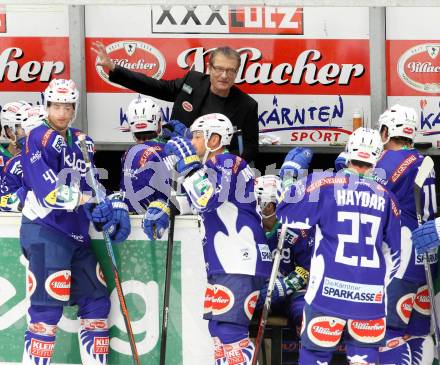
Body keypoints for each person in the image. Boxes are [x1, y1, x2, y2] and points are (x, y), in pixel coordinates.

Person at [20, 78, 131, 365]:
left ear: (74, 108)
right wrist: (87, 200)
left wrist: (109, 203)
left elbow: (93, 184)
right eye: (56, 105)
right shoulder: (37, 136)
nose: (61, 112)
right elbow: (48, 193)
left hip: (76, 234)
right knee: (46, 312)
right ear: (46, 106)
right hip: (46, 230)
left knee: (96, 303)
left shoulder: (83, 141)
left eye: (67, 106)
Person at [145, 112, 270, 364]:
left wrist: (189, 165)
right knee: (217, 331)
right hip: (225, 261)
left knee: (229, 331)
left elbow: (208, 198)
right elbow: (196, 202)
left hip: (239, 260)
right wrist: (166, 206)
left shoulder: (227, 161)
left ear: (215, 138)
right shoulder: (210, 168)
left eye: (196, 136)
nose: (191, 142)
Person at [277, 127, 401, 365]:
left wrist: (289, 178)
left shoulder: (323, 183)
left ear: (348, 151)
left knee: (315, 357)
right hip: (369, 301)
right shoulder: (388, 197)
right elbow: (394, 252)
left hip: (327, 296)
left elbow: (285, 213)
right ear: (376, 156)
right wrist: (375, 288)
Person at [91, 42, 259, 163]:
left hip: (215, 171)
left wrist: (222, 163)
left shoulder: (247, 105)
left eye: (230, 71)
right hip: (174, 161)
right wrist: (114, 68)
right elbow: (156, 87)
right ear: (210, 67)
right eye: (220, 69)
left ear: (237, 72)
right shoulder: (192, 81)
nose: (224, 76)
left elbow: (250, 149)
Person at [373, 105, 437, 365]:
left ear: (386, 131)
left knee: (389, 331)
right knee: (420, 333)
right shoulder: (424, 161)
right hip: (427, 258)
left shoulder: (384, 162)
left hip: (399, 258)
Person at [254, 174, 312, 339]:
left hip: (292, 292)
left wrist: (284, 286)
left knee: (303, 312)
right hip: (260, 291)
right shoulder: (249, 228)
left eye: (257, 201)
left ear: (270, 206)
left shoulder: (296, 227)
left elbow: (308, 268)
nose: (253, 206)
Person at [118, 95, 172, 241]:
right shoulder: (172, 149)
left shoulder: (129, 153)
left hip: (135, 227)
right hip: (169, 222)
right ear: (159, 124)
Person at [0, 104, 46, 212]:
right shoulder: (13, 163)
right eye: (22, 128)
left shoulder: (42, 156)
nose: (26, 132)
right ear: (9, 131)